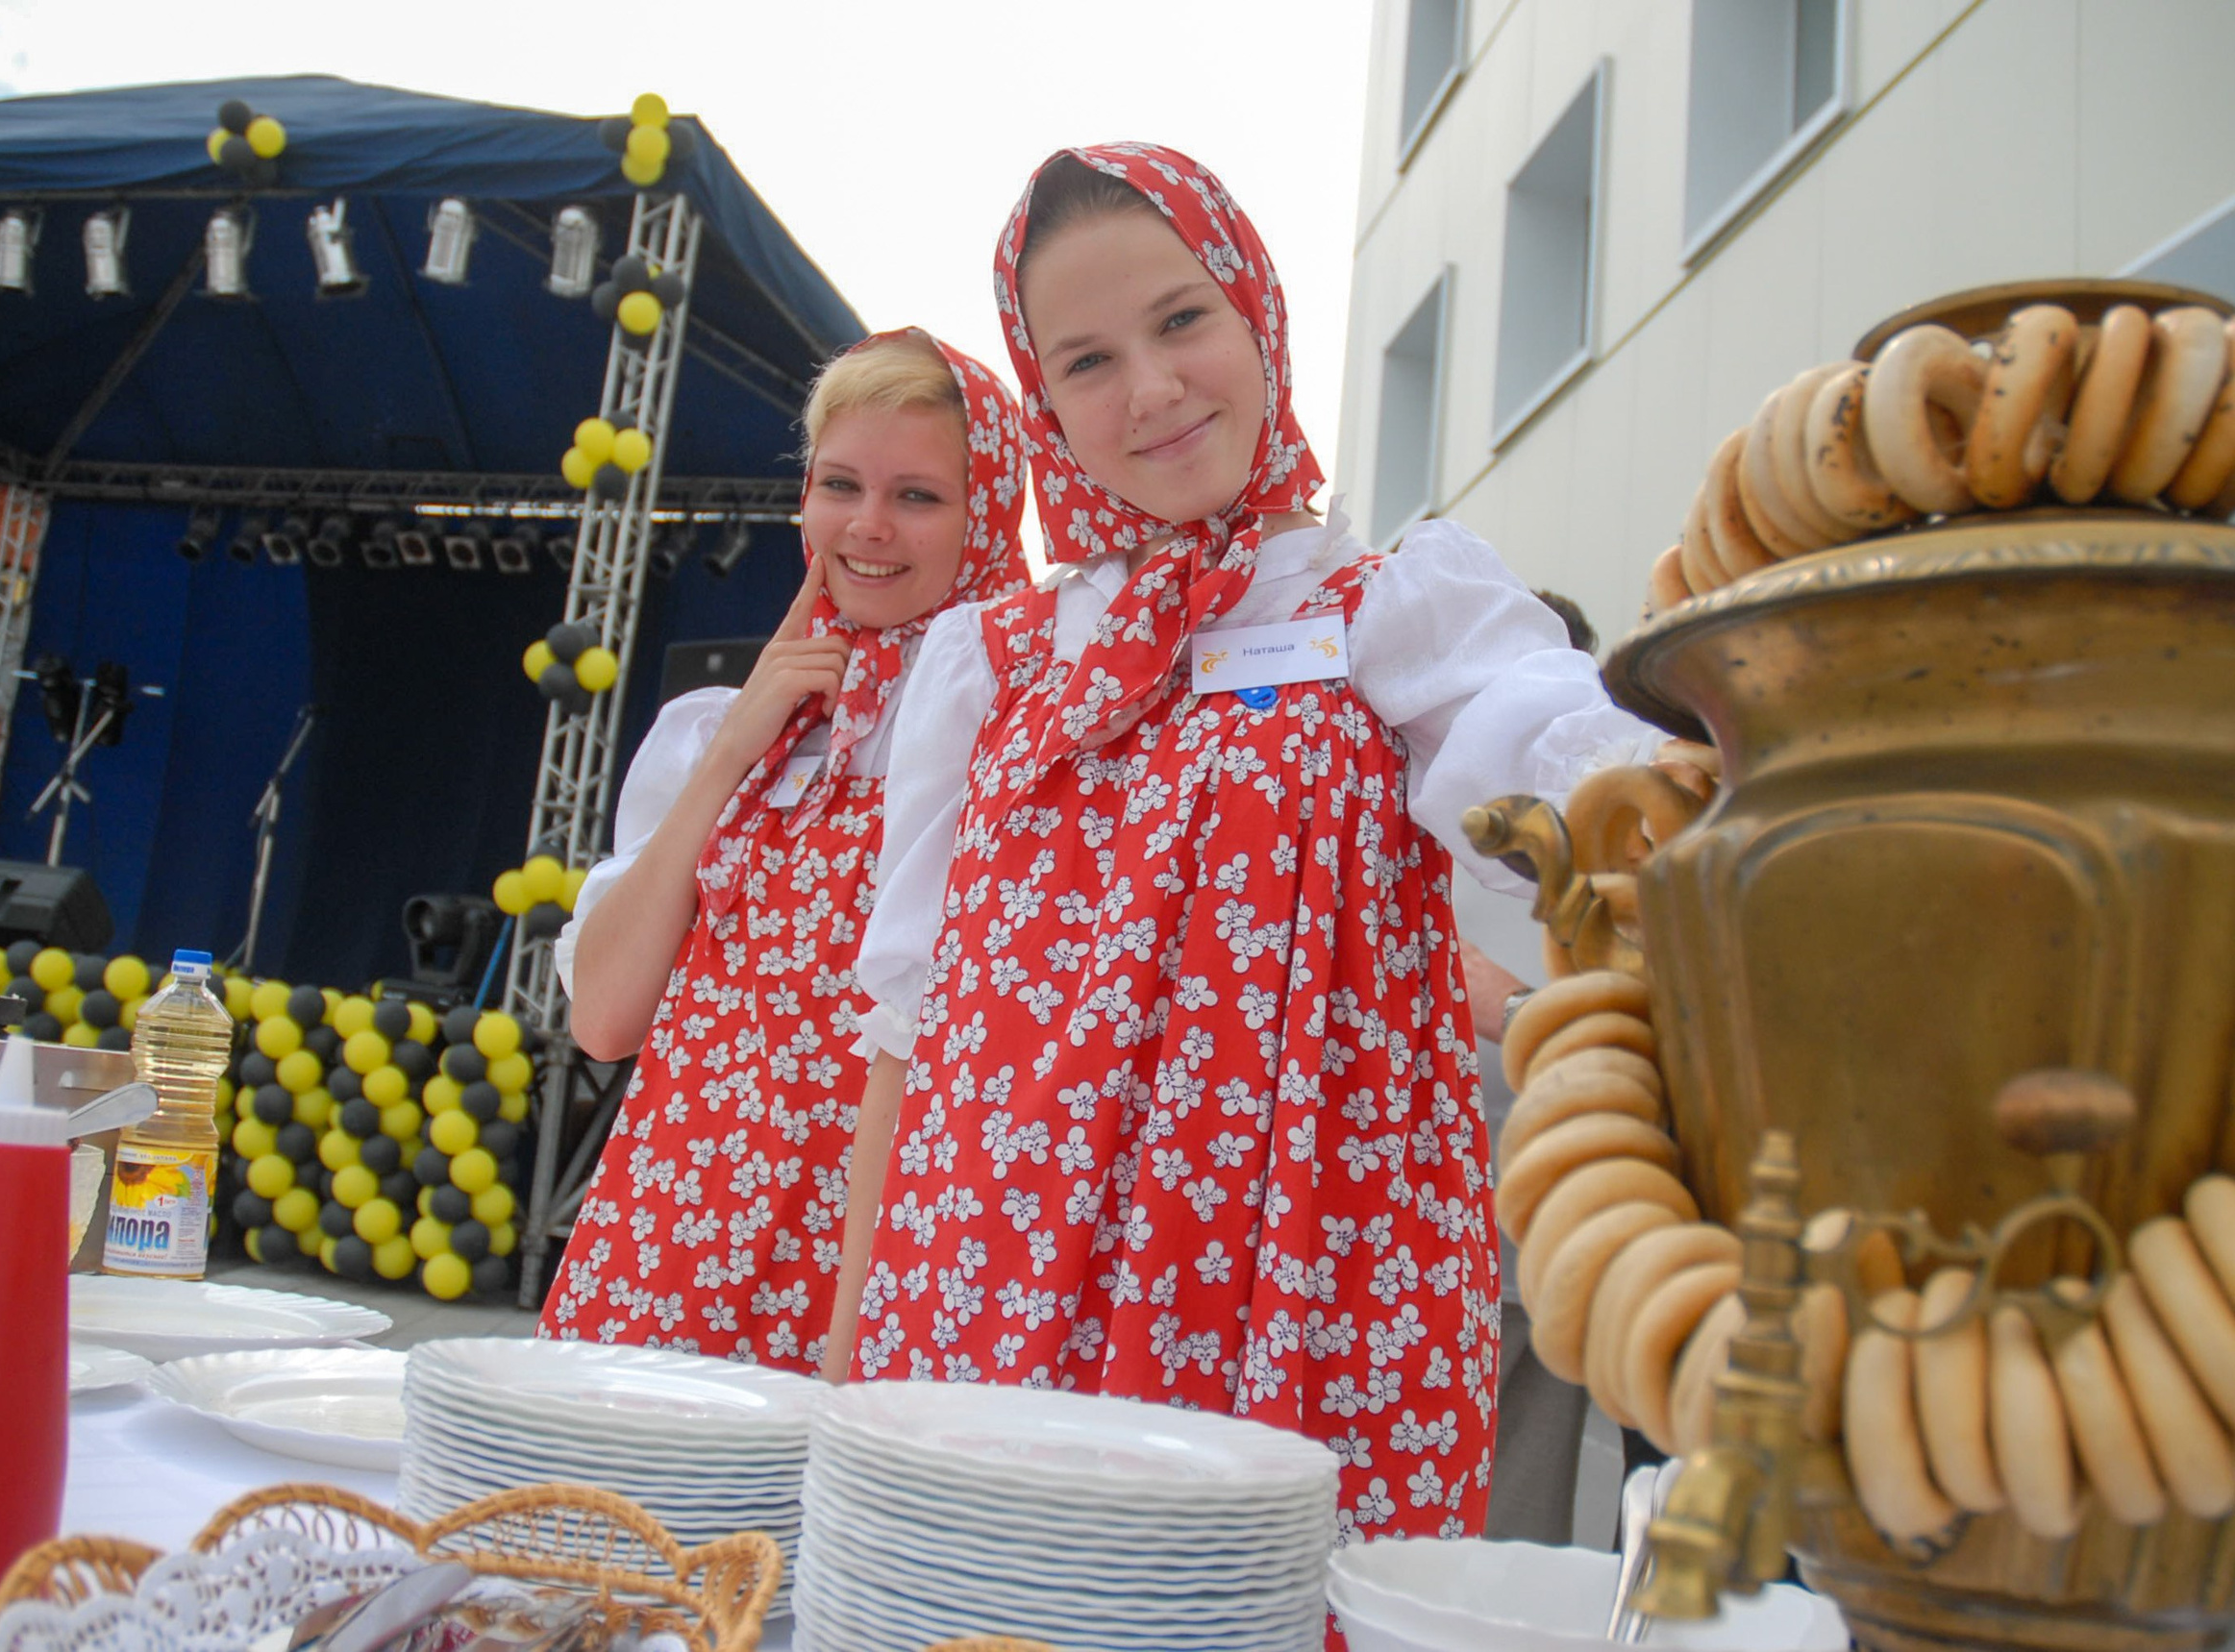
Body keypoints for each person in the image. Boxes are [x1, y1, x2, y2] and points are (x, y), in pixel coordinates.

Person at [825, 145, 1671, 1545]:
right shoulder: (982, 660)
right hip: (990, 1283)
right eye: (1085, 360)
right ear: (1040, 401)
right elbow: (905, 1036)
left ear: (1257, 314)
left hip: (1298, 1290)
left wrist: (1689, 792)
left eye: (1180, 320)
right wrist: (847, 1376)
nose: (1149, 391)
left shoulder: (1393, 605)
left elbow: (1543, 725)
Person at [536, 329, 1031, 1371]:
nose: (868, 527)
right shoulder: (718, 730)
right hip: (663, 1245)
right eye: (840, 484)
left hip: (878, 1272)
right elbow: (605, 1019)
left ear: (987, 514)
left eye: (918, 496)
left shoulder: (1018, 738)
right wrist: (730, 753)